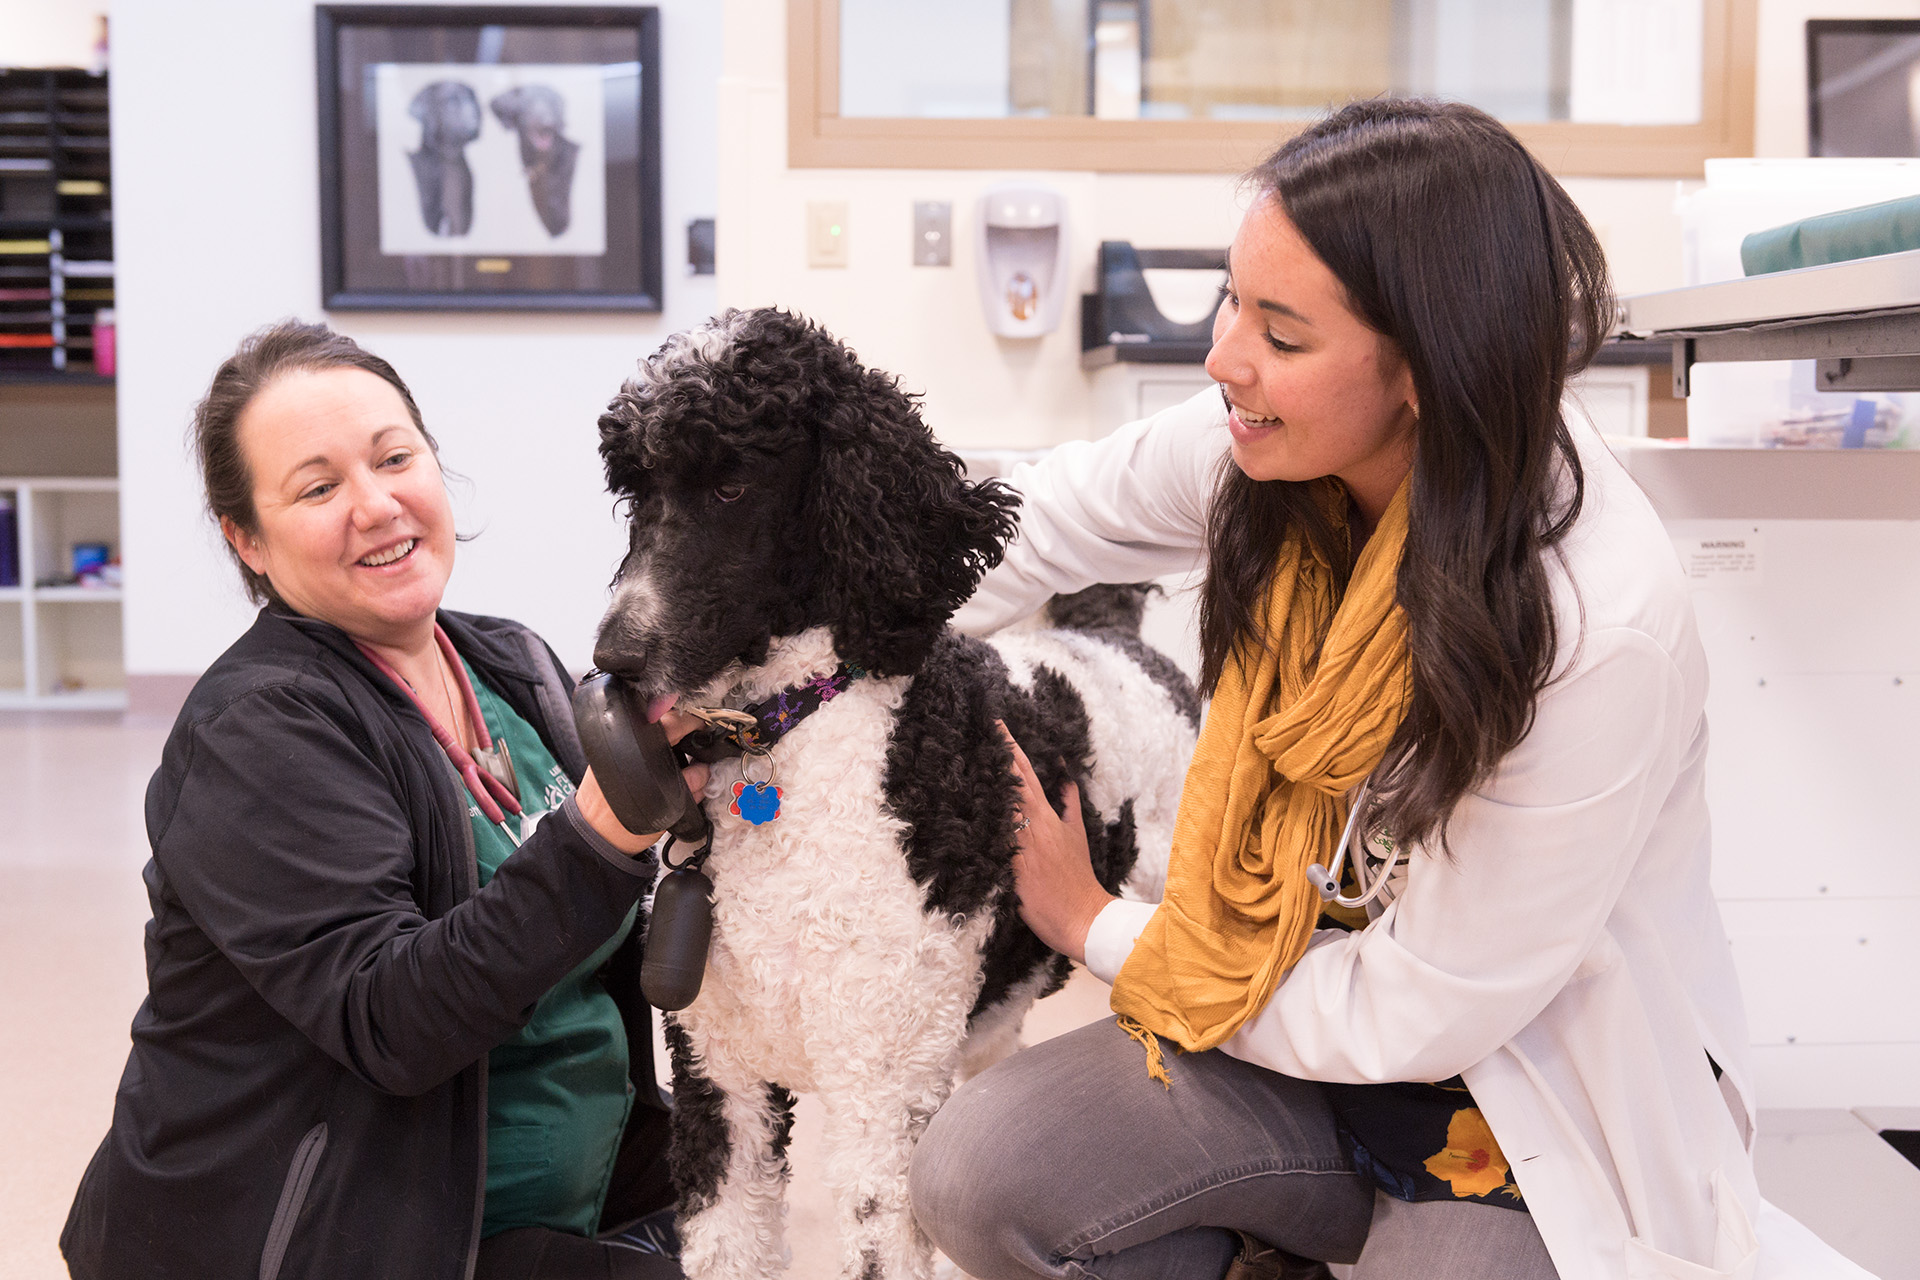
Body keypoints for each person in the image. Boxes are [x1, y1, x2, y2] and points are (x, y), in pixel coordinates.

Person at [915, 101, 1873, 1280]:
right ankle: (1266, 1234)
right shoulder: (1264, 453)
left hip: (1510, 1091)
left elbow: (1420, 1008)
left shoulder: (1594, 620)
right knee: (984, 1174)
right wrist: (810, 649)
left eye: (1282, 330)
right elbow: (1043, 517)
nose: (1225, 356)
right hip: (1280, 1028)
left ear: (1426, 366)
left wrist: (1098, 924)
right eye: (1231, 298)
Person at [61, 321, 704, 1280]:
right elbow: (390, 1019)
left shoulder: (511, 664)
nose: (376, 504)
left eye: (394, 458)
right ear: (249, 541)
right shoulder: (261, 731)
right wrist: (601, 837)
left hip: (575, 1204)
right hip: (345, 1237)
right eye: (318, 488)